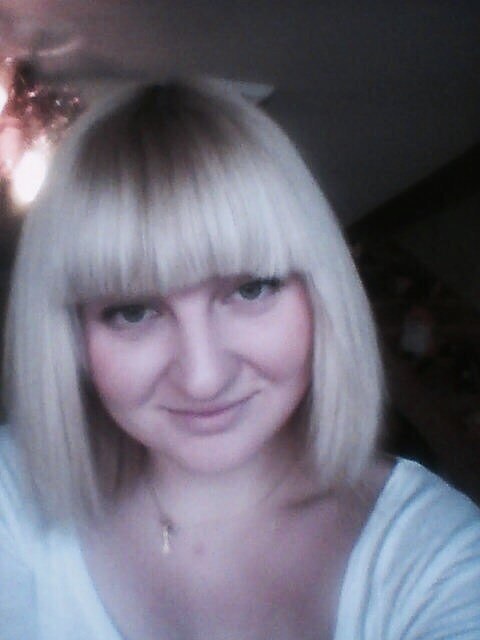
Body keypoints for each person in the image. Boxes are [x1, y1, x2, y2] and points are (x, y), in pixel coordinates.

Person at [1, 79, 479, 640]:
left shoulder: (437, 561)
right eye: (132, 311)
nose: (203, 378)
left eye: (251, 290)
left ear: (321, 296)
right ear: (70, 336)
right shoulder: (13, 493)